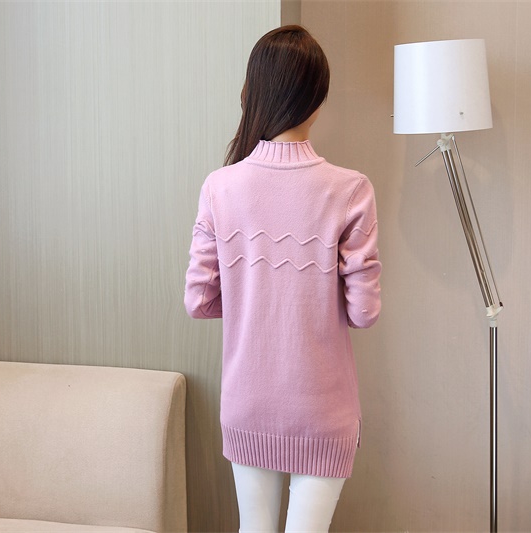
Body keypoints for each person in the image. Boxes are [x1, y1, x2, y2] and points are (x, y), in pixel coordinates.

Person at [184, 25, 381, 533]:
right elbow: (364, 312)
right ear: (317, 98)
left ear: (253, 92)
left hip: (247, 405)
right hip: (323, 411)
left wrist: (253, 295)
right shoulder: (351, 190)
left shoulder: (220, 187)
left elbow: (199, 301)